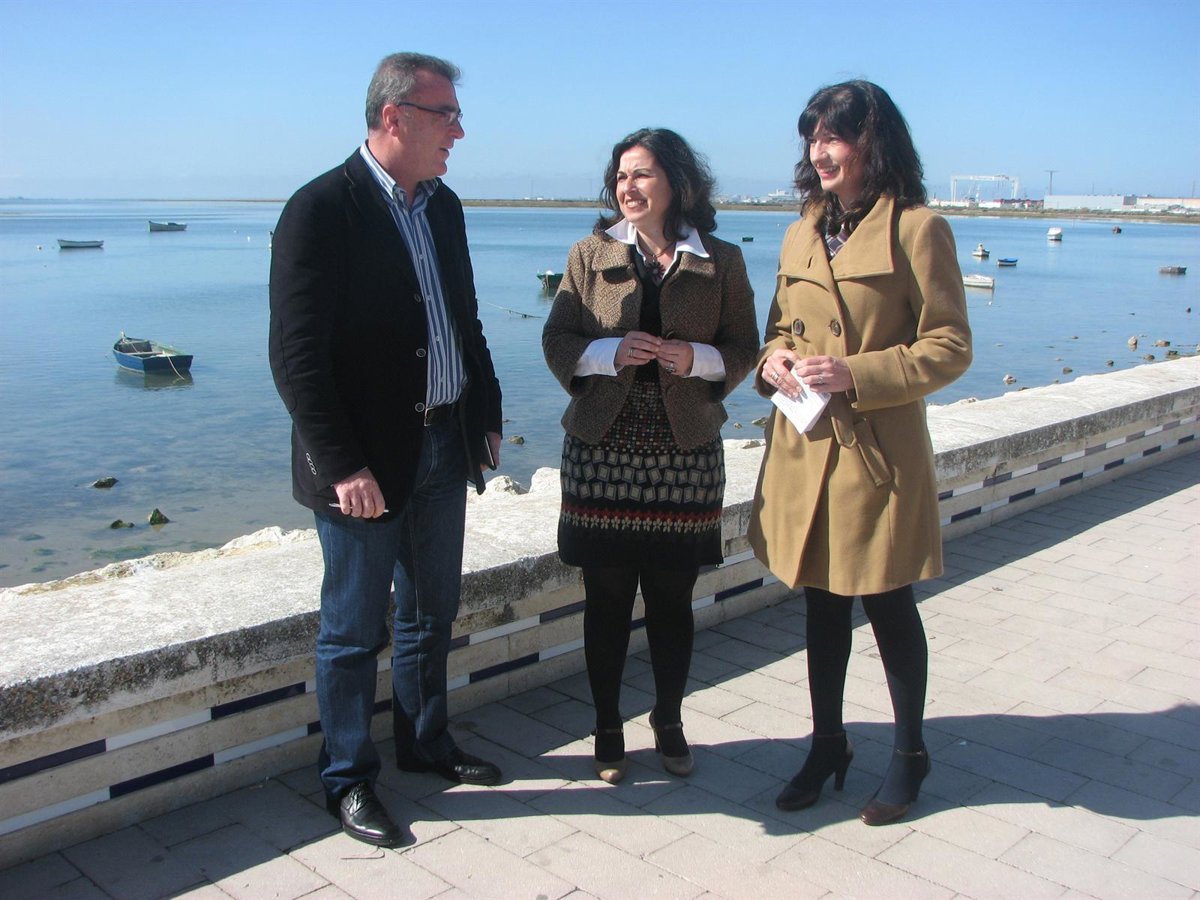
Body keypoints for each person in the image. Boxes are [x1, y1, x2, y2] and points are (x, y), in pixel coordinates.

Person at [269, 52, 504, 848]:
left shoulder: (444, 207)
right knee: (352, 631)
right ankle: (347, 778)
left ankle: (426, 741)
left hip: (443, 442)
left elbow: (464, 321)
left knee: (432, 614)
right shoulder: (319, 210)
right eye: (447, 116)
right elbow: (296, 357)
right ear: (394, 116)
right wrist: (341, 465)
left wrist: (485, 412)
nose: (459, 132)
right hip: (363, 466)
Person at [749, 81, 972, 825]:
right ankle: (828, 745)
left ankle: (910, 753)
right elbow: (778, 328)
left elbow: (950, 345)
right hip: (807, 447)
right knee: (821, 601)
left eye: (835, 135)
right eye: (813, 136)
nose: (821, 150)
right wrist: (775, 360)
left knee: (887, 602)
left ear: (875, 142)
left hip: (875, 454)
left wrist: (857, 373)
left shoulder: (918, 228)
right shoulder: (801, 230)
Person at [543, 128, 758, 784]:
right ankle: (607, 727)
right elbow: (557, 339)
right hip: (600, 453)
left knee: (671, 597)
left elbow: (744, 347)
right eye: (620, 176)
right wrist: (608, 354)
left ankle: (668, 720)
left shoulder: (722, 260)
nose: (627, 187)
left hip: (685, 454)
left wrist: (696, 359)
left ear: (676, 182)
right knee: (606, 598)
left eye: (641, 174)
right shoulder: (589, 253)